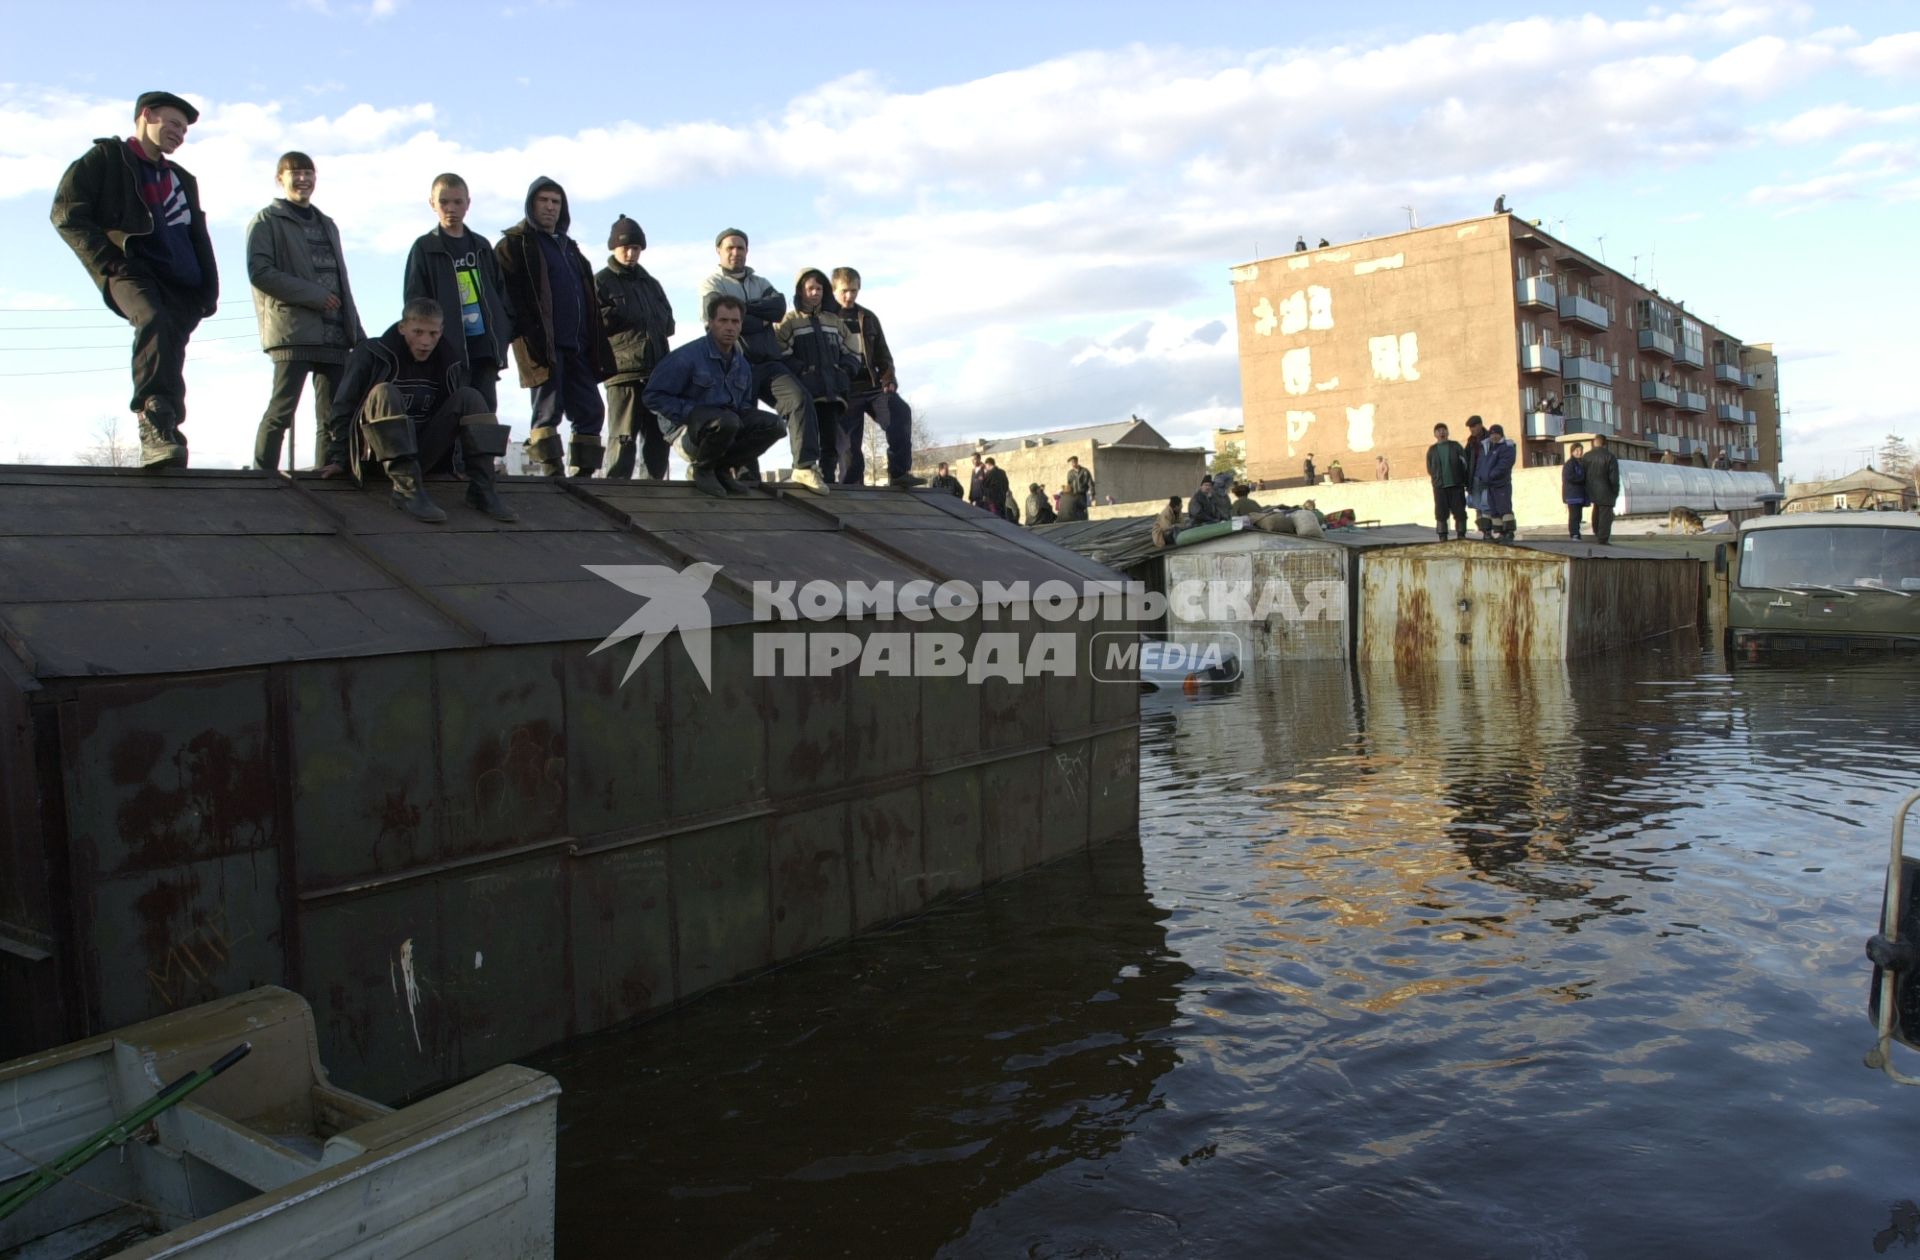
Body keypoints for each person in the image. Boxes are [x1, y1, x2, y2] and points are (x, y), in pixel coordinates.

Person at [51, 90, 219, 469]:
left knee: (168, 348)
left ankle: (167, 428)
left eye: (185, 130)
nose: (179, 133)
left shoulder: (182, 178)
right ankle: (153, 421)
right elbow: (66, 212)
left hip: (181, 283)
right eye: (173, 123)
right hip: (131, 269)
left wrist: (208, 288)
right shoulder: (107, 160)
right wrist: (107, 261)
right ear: (147, 115)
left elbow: (196, 234)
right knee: (152, 318)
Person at [331, 297, 515, 525]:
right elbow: (343, 405)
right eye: (417, 332)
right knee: (384, 391)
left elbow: (455, 421)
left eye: (433, 334)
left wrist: (456, 465)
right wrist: (339, 458)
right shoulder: (371, 353)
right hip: (375, 458)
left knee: (471, 397)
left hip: (420, 455)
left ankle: (482, 490)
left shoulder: (448, 360)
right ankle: (406, 491)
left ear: (441, 331)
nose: (426, 341)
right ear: (402, 327)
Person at [246, 151, 363, 474]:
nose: (302, 179)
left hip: (335, 335)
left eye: (308, 173)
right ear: (279, 179)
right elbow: (260, 272)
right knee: (282, 410)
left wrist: (357, 330)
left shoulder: (328, 224)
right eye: (294, 173)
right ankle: (262, 475)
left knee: (333, 415)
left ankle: (325, 477)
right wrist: (314, 296)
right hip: (293, 332)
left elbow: (342, 282)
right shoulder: (267, 220)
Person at [496, 176, 614, 477]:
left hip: (579, 343)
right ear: (531, 204)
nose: (550, 207)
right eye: (544, 200)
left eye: (556, 202)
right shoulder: (515, 244)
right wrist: (524, 332)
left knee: (591, 409)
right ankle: (551, 470)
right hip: (542, 343)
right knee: (547, 411)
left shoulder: (570, 249)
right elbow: (505, 296)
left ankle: (585, 473)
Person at [699, 229, 827, 491]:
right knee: (745, 421)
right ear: (719, 252)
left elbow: (778, 308)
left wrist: (744, 309)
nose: (736, 253)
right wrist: (755, 314)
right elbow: (722, 316)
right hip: (735, 364)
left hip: (769, 361)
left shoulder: (760, 281)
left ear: (747, 251)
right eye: (730, 248)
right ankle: (745, 476)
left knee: (799, 399)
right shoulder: (711, 283)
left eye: (741, 248)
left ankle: (804, 466)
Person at [643, 294, 788, 499]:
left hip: (725, 430)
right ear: (711, 323)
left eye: (735, 321)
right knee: (726, 421)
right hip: (685, 432)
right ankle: (701, 469)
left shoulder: (743, 366)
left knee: (775, 425)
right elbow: (652, 396)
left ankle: (723, 469)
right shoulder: (686, 357)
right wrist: (692, 413)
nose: (729, 327)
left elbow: (744, 406)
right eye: (723, 321)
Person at [404, 172, 514, 412]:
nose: (451, 208)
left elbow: (500, 294)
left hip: (484, 349)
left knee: (484, 420)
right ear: (432, 203)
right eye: (444, 202)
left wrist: (503, 332)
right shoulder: (425, 247)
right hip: (447, 351)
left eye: (457, 201)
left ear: (468, 204)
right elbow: (415, 301)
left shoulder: (482, 245)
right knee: (451, 416)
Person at [595, 214, 676, 480]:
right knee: (623, 440)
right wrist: (625, 314)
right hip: (622, 374)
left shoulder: (651, 284)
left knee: (658, 442)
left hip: (657, 374)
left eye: (636, 248)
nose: (630, 253)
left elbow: (669, 323)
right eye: (625, 247)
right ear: (613, 248)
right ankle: (616, 495)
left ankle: (657, 500)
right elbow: (595, 325)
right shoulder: (601, 282)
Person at [830, 267, 923, 488]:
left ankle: (899, 473)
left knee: (899, 412)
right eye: (844, 291)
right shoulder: (827, 319)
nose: (849, 296)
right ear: (834, 290)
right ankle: (852, 488)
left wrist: (889, 379)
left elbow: (883, 355)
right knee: (850, 451)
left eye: (853, 291)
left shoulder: (868, 317)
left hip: (872, 386)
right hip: (845, 391)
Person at [776, 268, 864, 481]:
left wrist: (845, 370)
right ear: (800, 291)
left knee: (831, 444)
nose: (815, 293)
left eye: (819, 288)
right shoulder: (789, 321)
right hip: (805, 394)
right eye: (810, 289)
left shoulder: (834, 320)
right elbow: (780, 352)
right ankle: (807, 477)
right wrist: (801, 370)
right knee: (806, 441)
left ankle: (829, 482)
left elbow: (853, 349)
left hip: (832, 393)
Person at [1426, 422, 1470, 540]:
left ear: (1448, 432)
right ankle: (1442, 535)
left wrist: (1462, 479)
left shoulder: (1455, 446)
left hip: (1456, 485)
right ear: (1435, 434)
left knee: (1460, 511)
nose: (1442, 432)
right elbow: (1430, 468)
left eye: (1444, 430)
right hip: (1440, 487)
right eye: (1439, 430)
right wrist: (1437, 479)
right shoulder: (1432, 450)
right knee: (1441, 513)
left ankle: (1461, 534)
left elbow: (1465, 463)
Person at [1475, 422, 1519, 540]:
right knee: (1494, 510)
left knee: (1504, 508)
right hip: (1490, 485)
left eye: (1496, 434)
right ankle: (1500, 532)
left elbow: (1504, 466)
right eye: (1492, 434)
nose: (1494, 436)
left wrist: (1490, 475)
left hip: (1501, 484)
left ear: (1501, 435)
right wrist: (1480, 476)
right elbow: (1482, 465)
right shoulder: (1489, 448)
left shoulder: (1506, 448)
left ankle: (1509, 532)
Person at [1582, 433, 1621, 545]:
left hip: (1591, 489)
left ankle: (1596, 532)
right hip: (1606, 490)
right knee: (1605, 514)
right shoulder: (1610, 457)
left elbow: (1583, 473)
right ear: (1605, 444)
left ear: (1594, 443)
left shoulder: (1587, 456)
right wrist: (1615, 490)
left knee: (1596, 510)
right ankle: (1602, 538)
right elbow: (1614, 477)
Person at [1462, 415, 1491, 535]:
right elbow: (1465, 460)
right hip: (1474, 478)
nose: (1472, 430)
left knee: (1487, 506)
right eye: (1470, 428)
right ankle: (1482, 531)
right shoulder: (1471, 442)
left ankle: (1489, 531)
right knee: (1478, 506)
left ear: (1480, 425)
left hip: (1488, 478)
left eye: (1473, 426)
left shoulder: (1490, 438)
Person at [1562, 442, 1589, 540]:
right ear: (1572, 452)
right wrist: (1582, 478)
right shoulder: (1570, 464)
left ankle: (1577, 532)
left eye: (1580, 450)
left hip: (1579, 494)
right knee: (1574, 516)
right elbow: (1569, 477)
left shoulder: (1581, 463)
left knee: (1578, 516)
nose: (1579, 452)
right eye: (1577, 450)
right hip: (1572, 495)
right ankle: (1574, 534)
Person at [1062, 455, 1094, 521]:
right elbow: (1068, 485)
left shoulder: (1085, 471)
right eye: (1071, 463)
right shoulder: (1070, 473)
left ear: (1077, 462)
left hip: (1082, 494)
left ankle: (1085, 522)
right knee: (1075, 511)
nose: (1072, 464)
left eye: (1073, 462)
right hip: (1073, 495)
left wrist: (1092, 494)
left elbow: (1090, 483)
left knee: (1083, 510)